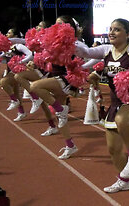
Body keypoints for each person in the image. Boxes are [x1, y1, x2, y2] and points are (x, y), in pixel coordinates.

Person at [75, 18, 129, 193]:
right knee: (113, 150)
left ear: (128, 34)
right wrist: (67, 41)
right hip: (115, 102)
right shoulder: (106, 50)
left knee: (122, 119)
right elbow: (86, 52)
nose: (111, 32)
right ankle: (124, 180)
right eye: (111, 29)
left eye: (117, 30)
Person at [29, 15, 82, 159]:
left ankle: (59, 108)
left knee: (34, 86)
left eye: (60, 23)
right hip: (56, 77)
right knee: (62, 118)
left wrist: (79, 68)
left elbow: (90, 55)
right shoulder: (53, 42)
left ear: (68, 27)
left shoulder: (76, 44)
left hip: (66, 79)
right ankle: (70, 146)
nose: (56, 25)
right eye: (55, 23)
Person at [14, 22, 58, 136]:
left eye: (40, 25)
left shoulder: (49, 41)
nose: (37, 27)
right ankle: (52, 126)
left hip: (48, 74)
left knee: (19, 76)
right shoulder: (35, 41)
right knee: (43, 104)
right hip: (39, 72)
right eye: (37, 26)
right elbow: (23, 42)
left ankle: (36, 98)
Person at [0, 28, 33, 122]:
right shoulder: (8, 47)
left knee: (3, 82)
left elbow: (29, 53)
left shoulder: (19, 46)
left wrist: (20, 62)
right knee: (16, 91)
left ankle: (14, 100)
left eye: (9, 33)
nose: (6, 34)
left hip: (18, 71)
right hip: (10, 69)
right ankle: (21, 112)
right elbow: (2, 55)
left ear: (15, 36)